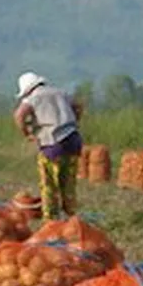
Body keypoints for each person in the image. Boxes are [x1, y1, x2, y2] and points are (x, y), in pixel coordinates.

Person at [12, 72, 84, 219]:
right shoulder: (61, 92)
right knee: (68, 182)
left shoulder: (32, 98)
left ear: (27, 89)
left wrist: (27, 133)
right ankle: (71, 216)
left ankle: (51, 220)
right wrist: (74, 121)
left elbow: (19, 115)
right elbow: (78, 105)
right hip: (73, 141)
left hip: (52, 144)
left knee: (49, 184)